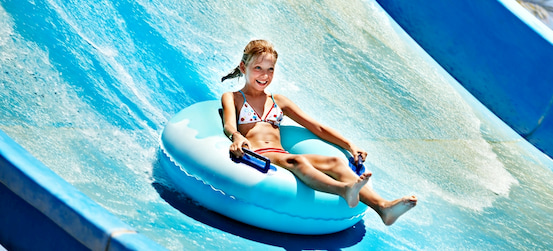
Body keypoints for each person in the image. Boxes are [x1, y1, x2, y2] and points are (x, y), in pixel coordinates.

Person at [221, 39, 417, 225]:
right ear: (243, 67)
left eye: (270, 69)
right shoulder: (233, 98)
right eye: (258, 69)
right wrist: (237, 137)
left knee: (335, 162)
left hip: (281, 153)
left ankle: (383, 207)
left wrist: (350, 145)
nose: (264, 76)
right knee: (298, 161)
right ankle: (344, 190)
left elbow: (316, 127)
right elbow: (229, 124)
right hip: (259, 154)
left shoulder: (278, 101)